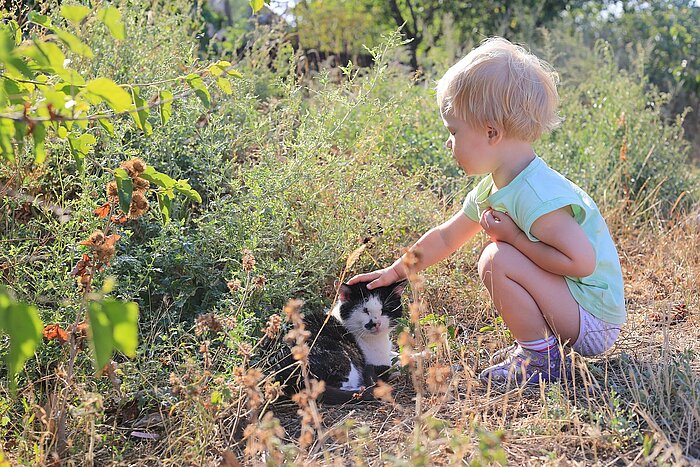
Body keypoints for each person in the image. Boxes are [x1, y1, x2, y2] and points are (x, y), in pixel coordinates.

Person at [348, 37, 625, 386]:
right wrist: (396, 271)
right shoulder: (496, 186)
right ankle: (539, 347)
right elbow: (448, 236)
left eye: (453, 131)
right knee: (500, 255)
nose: (448, 142)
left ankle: (542, 360)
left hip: (593, 319)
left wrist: (514, 239)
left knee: (497, 258)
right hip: (575, 308)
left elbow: (581, 262)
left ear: (491, 132)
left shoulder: (535, 194)